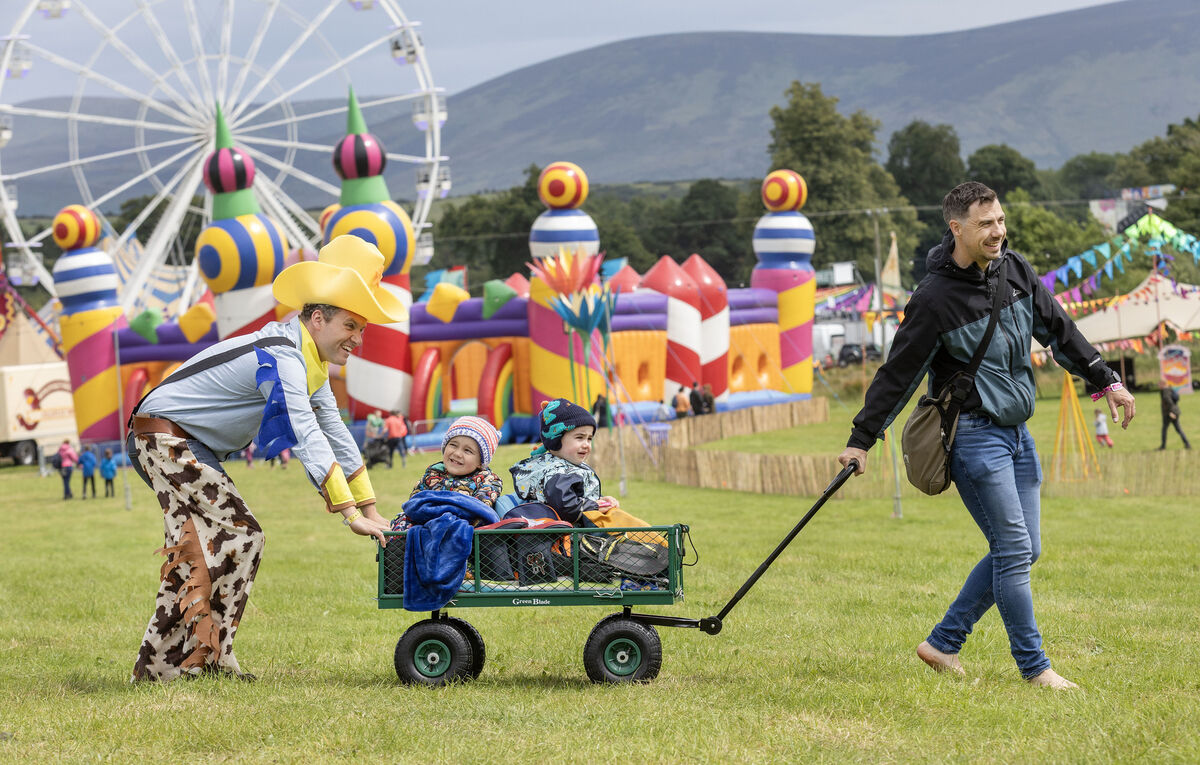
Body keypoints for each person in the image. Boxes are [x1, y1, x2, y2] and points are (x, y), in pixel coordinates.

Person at [837, 182, 1136, 691]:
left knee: (1023, 549)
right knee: (1015, 548)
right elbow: (898, 373)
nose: (998, 231)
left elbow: (1059, 329)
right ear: (957, 228)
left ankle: (942, 644)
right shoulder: (933, 299)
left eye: (999, 220)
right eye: (985, 224)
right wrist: (861, 439)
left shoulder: (1014, 270)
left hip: (1019, 434)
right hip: (973, 438)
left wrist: (1106, 378)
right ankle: (1035, 668)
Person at [124, 235, 398, 683]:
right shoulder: (283, 355)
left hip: (185, 442)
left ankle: (197, 662)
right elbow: (305, 432)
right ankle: (180, 666)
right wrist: (349, 514)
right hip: (163, 436)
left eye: (362, 329)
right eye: (351, 326)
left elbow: (336, 433)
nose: (358, 339)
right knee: (236, 537)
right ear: (316, 318)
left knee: (216, 547)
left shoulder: (309, 364)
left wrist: (371, 510)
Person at [509, 398, 618, 524]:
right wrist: (595, 505)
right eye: (579, 437)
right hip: (569, 538)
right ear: (556, 440)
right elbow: (566, 508)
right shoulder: (557, 473)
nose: (586, 444)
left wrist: (602, 500)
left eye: (589, 439)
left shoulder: (569, 466)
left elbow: (581, 496)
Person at [391, 416, 503, 530]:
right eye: (453, 445)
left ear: (481, 462)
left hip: (462, 530)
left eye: (467, 450)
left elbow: (480, 509)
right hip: (427, 525)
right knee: (400, 521)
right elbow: (415, 502)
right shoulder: (433, 473)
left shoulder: (487, 480)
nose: (457, 454)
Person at [1157, 379, 1191, 450]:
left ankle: (1163, 446)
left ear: (1162, 384)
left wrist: (1171, 412)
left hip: (1169, 413)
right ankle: (1187, 444)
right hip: (1174, 412)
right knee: (1178, 429)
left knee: (1164, 429)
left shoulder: (1165, 391)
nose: (1158, 386)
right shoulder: (1170, 389)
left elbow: (1169, 401)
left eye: (1159, 384)